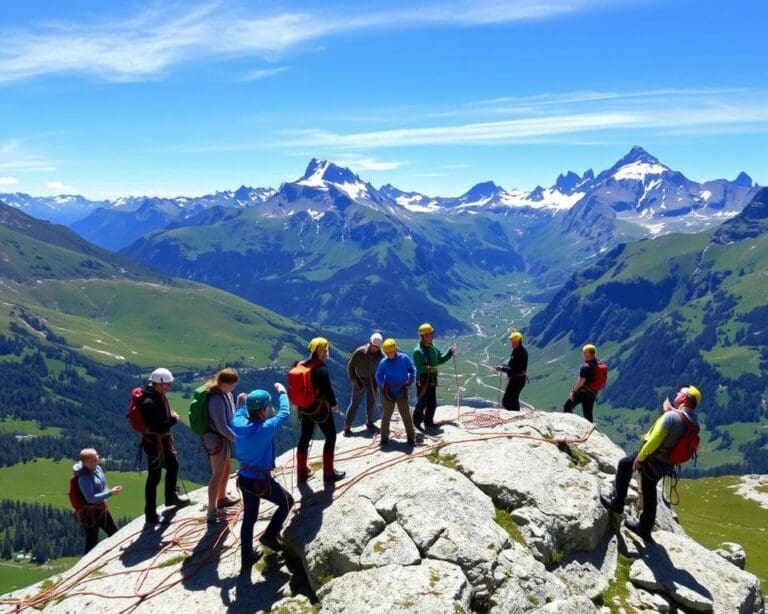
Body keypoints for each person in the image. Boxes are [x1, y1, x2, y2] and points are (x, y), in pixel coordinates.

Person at [600, 385, 702, 541]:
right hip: (666, 464)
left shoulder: (671, 418)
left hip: (652, 459)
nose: (677, 393)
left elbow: (655, 439)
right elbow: (678, 426)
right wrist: (671, 411)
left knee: (625, 464)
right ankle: (645, 528)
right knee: (649, 490)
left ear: (685, 398)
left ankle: (618, 503)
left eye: (680, 393)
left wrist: (641, 457)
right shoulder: (692, 423)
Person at [233, 383, 295, 571]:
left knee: (250, 517)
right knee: (287, 502)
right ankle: (269, 535)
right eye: (267, 407)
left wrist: (242, 404)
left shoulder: (237, 423)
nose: (269, 410)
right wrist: (282, 392)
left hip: (244, 478)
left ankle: (246, 556)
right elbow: (284, 412)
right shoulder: (265, 428)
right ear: (262, 411)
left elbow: (240, 411)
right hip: (261, 480)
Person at [140, 367, 190, 524]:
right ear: (159, 384)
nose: (169, 387)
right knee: (154, 477)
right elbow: (159, 427)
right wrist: (174, 419)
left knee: (173, 466)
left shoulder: (155, 396)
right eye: (167, 384)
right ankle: (150, 513)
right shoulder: (149, 401)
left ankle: (170, 497)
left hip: (159, 442)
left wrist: (169, 416)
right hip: (156, 443)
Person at [295, 337, 345, 484]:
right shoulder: (320, 367)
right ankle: (329, 474)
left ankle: (301, 473)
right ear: (322, 351)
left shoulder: (300, 364)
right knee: (330, 437)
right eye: (325, 350)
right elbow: (327, 389)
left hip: (304, 408)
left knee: (305, 437)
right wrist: (334, 404)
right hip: (319, 409)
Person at [201, 368, 241, 522]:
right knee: (217, 473)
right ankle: (211, 510)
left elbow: (230, 416)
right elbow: (221, 426)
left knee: (227, 469)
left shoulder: (226, 394)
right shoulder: (215, 398)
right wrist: (237, 438)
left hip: (223, 439)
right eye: (232, 385)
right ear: (224, 383)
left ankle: (222, 498)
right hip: (215, 439)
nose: (234, 388)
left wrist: (239, 403)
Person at [73, 448, 122, 553]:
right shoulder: (84, 478)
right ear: (85, 462)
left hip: (101, 508)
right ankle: (86, 566)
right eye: (93, 460)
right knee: (91, 541)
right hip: (89, 514)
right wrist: (110, 493)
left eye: (97, 458)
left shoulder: (98, 469)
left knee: (114, 532)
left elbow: (103, 485)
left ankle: (115, 554)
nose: (96, 461)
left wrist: (108, 492)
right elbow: (90, 498)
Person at [412, 323, 456, 430]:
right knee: (423, 401)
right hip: (423, 379)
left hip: (431, 377)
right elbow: (421, 367)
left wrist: (449, 354)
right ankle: (416, 419)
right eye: (431, 334)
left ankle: (428, 422)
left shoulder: (432, 347)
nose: (433, 335)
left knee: (432, 402)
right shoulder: (418, 351)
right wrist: (431, 367)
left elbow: (439, 359)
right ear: (425, 336)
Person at [374, 338, 417, 448]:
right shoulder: (384, 362)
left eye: (389, 353)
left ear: (394, 350)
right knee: (386, 416)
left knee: (405, 415)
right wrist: (384, 385)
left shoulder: (404, 358)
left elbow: (412, 369)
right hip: (388, 392)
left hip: (401, 390)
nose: (388, 355)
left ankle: (411, 439)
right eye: (386, 353)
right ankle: (384, 439)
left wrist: (411, 379)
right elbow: (378, 375)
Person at [343, 332, 384, 436]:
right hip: (360, 380)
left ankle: (369, 422)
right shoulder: (360, 352)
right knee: (355, 403)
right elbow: (350, 366)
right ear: (370, 343)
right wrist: (354, 380)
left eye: (377, 347)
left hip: (373, 381)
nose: (375, 348)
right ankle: (347, 426)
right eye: (374, 346)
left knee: (371, 402)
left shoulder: (380, 355)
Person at [562, 344, 599, 423]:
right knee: (588, 414)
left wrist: (572, 392)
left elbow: (580, 382)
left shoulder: (585, 367)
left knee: (567, 407)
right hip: (592, 394)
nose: (583, 354)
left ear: (587, 353)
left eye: (584, 352)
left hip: (582, 393)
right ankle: (590, 432)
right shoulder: (597, 364)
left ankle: (569, 425)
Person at [495, 331, 528, 412]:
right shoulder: (517, 350)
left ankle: (516, 415)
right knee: (510, 400)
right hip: (516, 379)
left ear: (516, 342)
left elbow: (515, 369)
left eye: (512, 341)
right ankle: (515, 414)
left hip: (517, 380)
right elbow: (512, 366)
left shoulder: (520, 353)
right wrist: (503, 366)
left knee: (509, 400)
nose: (511, 343)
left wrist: (502, 368)